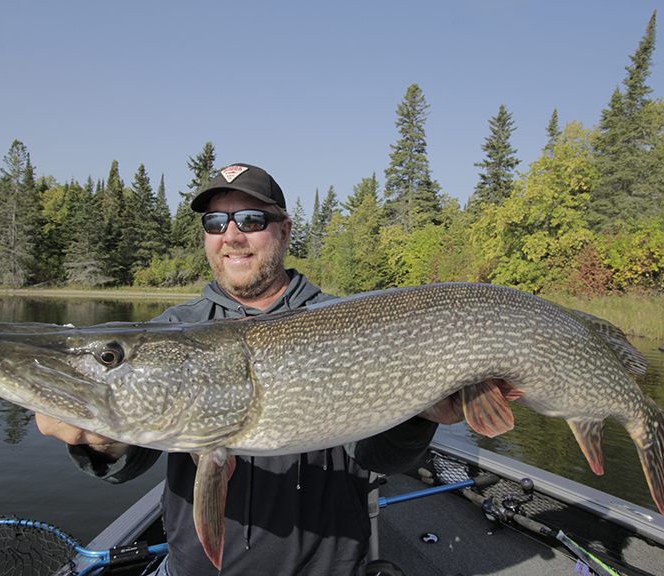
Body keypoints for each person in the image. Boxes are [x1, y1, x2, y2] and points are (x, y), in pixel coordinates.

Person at [36, 163, 461, 576]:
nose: (231, 236)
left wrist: (420, 416)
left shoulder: (346, 321)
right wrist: (102, 443)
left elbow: (378, 457)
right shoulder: (174, 327)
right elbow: (131, 461)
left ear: (284, 231)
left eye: (251, 220)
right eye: (215, 222)